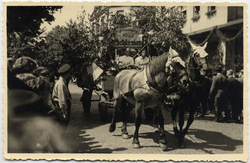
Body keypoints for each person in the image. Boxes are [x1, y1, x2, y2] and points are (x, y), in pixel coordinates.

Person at [52, 64, 72, 131]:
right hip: (61, 109)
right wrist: (64, 113)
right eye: (69, 73)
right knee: (62, 128)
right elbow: (62, 100)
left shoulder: (62, 82)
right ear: (66, 74)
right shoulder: (61, 84)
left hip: (60, 108)